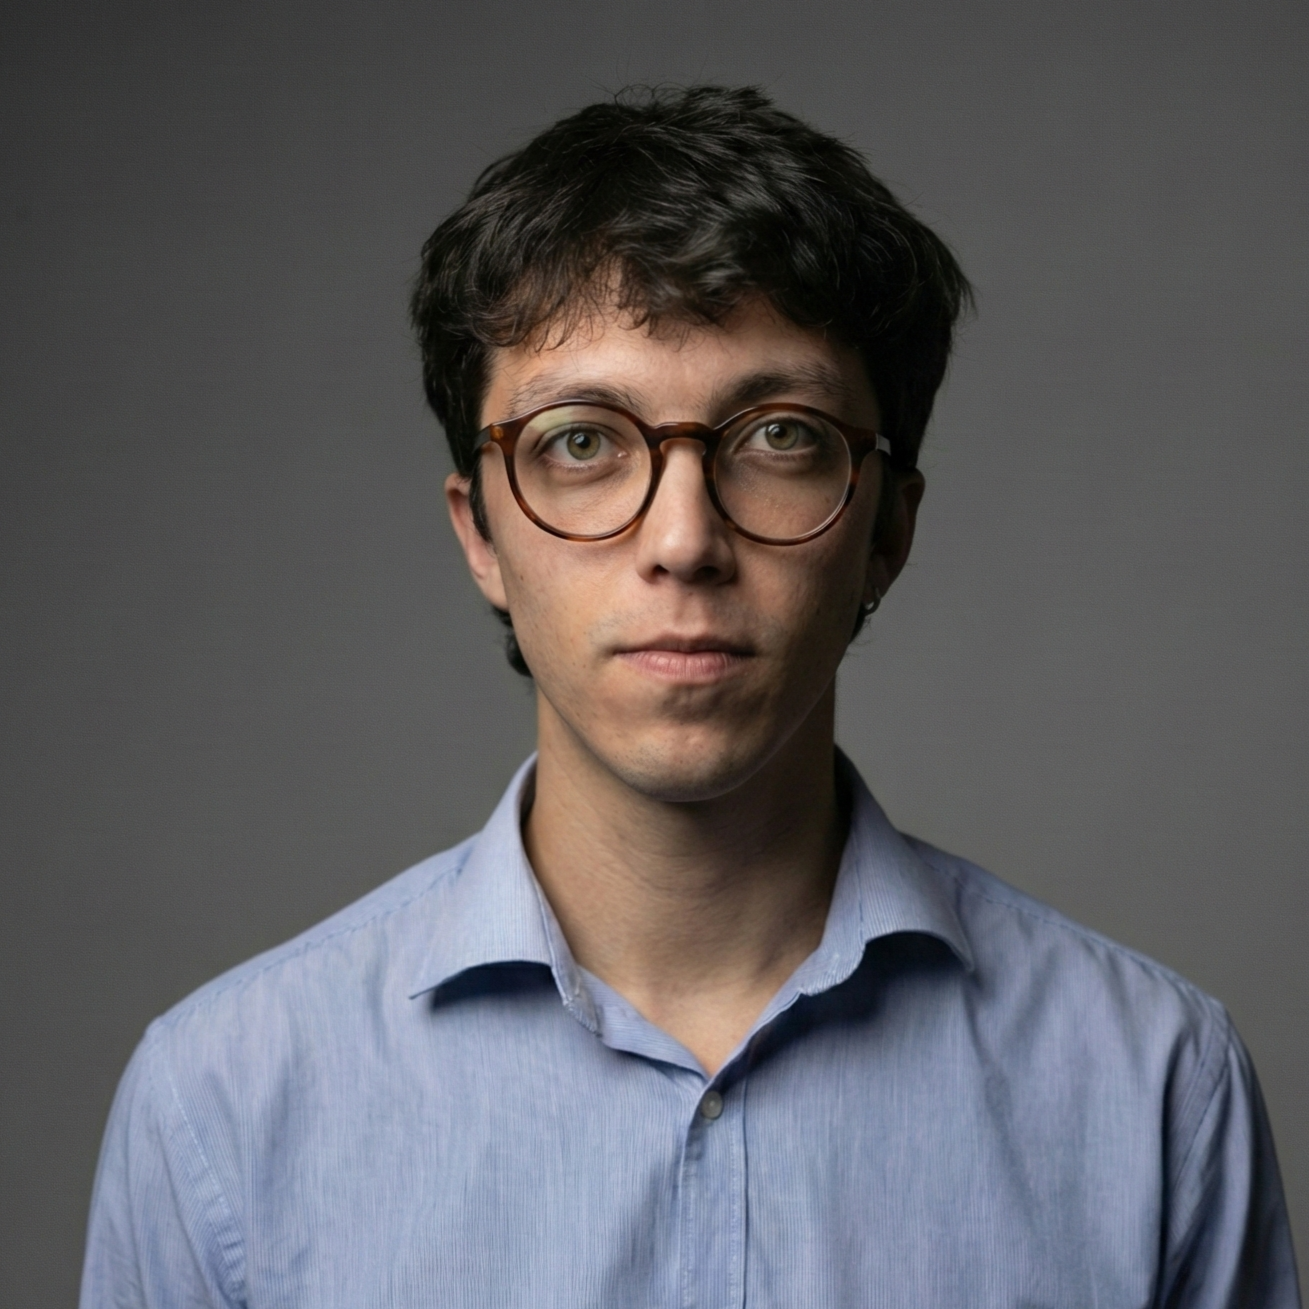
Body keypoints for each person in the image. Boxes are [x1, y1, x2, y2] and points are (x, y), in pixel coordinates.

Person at [81, 86, 1299, 1308]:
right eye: (579, 440)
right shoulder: (221, 1106)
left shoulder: (1153, 1087)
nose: (682, 541)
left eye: (779, 436)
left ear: (887, 528)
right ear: (481, 533)